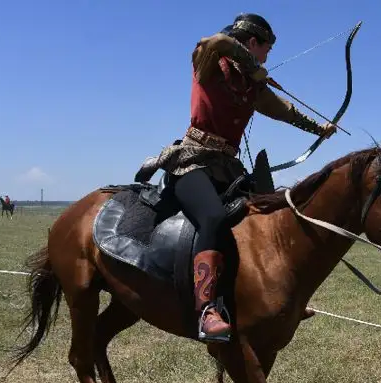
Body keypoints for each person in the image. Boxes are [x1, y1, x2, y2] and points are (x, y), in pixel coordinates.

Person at [134, 13, 336, 343]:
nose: (268, 57)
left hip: (228, 169)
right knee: (212, 217)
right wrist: (251, 65)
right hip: (192, 162)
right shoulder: (211, 62)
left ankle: (273, 298)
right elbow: (215, 41)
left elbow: (287, 111)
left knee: (268, 216)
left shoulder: (251, 86)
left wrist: (319, 128)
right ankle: (206, 310)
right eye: (266, 49)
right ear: (253, 42)